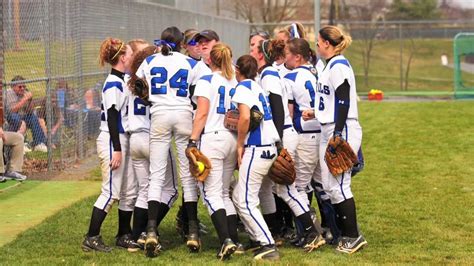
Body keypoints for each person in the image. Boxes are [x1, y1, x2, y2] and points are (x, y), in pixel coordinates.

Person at [252, 38, 326, 251]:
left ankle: (311, 232)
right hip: (287, 133)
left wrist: (278, 143)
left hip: (283, 134)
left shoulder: (268, 74)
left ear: (261, 55)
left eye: (253, 49)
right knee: (277, 188)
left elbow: (277, 108)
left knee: (287, 189)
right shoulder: (272, 73)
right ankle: (280, 231)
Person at [135, 26, 201, 257]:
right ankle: (192, 231)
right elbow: (200, 87)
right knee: (187, 175)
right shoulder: (189, 62)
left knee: (157, 174)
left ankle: (151, 230)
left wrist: (150, 95)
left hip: (160, 114)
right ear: (182, 43)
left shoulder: (151, 60)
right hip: (183, 114)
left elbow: (138, 84)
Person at [304, 25, 367, 254]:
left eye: (319, 41)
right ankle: (345, 234)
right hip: (329, 126)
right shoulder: (330, 65)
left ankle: (352, 236)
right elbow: (331, 100)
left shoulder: (339, 65)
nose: (317, 44)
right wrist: (316, 112)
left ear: (327, 44)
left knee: (340, 185)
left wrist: (339, 133)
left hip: (342, 127)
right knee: (330, 186)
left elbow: (343, 100)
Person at [81, 37, 139, 253]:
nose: (132, 57)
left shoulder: (123, 79)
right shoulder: (113, 83)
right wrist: (117, 149)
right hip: (112, 139)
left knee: (129, 190)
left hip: (122, 139)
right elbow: (113, 118)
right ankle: (91, 236)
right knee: (111, 192)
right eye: (130, 54)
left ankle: (124, 234)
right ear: (123, 58)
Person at [189, 43, 240, 260]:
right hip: (231, 138)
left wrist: (192, 140)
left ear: (211, 59)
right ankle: (234, 238)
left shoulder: (206, 80)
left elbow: (201, 114)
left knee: (210, 194)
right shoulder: (234, 81)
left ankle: (225, 241)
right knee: (223, 193)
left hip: (212, 138)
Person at [126, 42, 179, 250]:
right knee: (170, 189)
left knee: (145, 189)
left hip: (134, 139)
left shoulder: (130, 84)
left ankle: (135, 236)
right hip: (153, 138)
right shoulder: (156, 85)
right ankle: (150, 230)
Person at [231, 55, 280, 261]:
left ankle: (267, 243)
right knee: (239, 196)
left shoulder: (243, 87)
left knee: (244, 200)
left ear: (238, 70)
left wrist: (240, 143)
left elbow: (244, 117)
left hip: (257, 148)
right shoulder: (256, 86)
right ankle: (257, 239)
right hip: (269, 147)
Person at [5, 76, 47, 152]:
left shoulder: (25, 92)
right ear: (13, 87)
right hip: (10, 117)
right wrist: (24, 99)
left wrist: (30, 100)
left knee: (33, 117)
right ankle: (20, 143)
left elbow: (30, 111)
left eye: (24, 86)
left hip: (23, 115)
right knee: (15, 117)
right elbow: (13, 110)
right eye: (20, 87)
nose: (22, 89)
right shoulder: (9, 93)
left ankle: (39, 143)